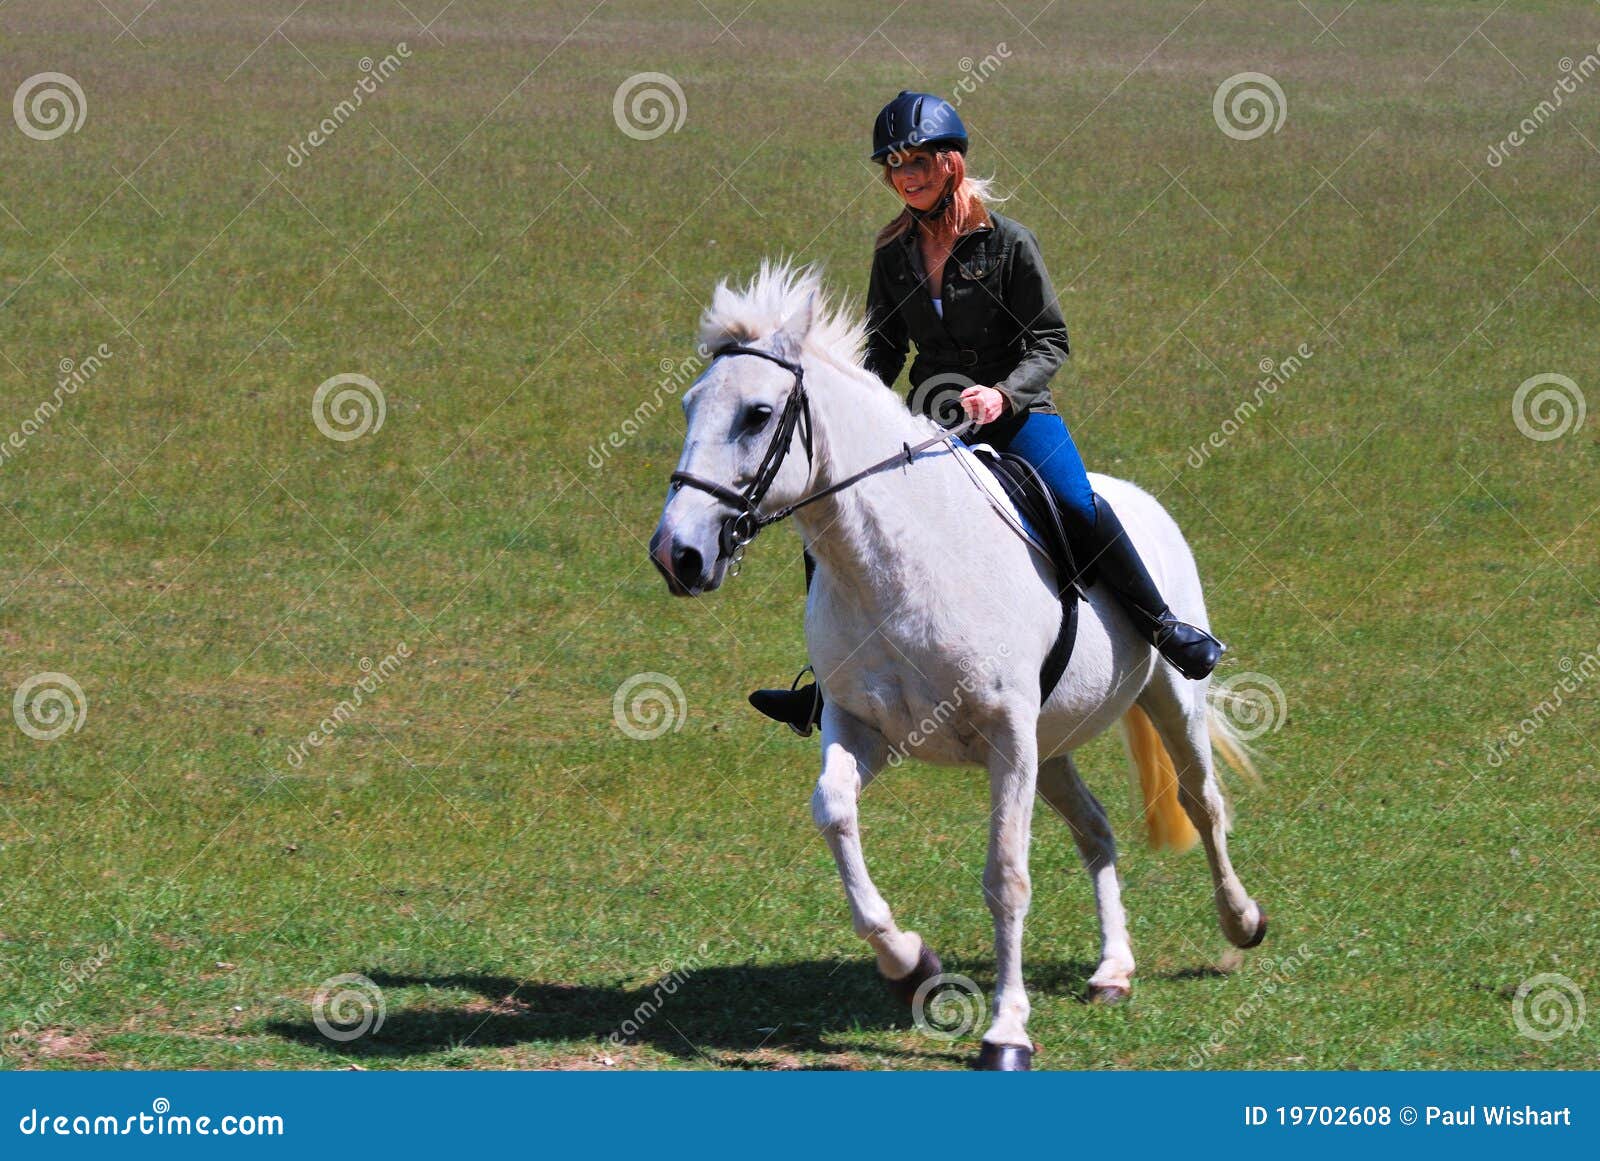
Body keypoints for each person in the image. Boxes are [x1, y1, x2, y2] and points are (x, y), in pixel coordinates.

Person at [750, 91, 1223, 736]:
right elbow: (885, 349)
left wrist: (1003, 394)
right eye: (894, 165)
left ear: (951, 163)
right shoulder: (892, 257)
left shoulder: (1009, 245)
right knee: (835, 515)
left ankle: (1163, 625)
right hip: (928, 419)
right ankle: (829, 683)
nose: (905, 176)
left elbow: (1049, 342)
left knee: (1077, 503)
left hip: (1017, 415)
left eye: (917, 160)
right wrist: (855, 410)